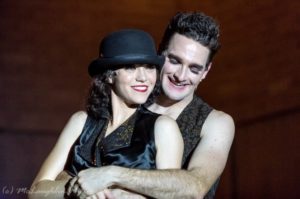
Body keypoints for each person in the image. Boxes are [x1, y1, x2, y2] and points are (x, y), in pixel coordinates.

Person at [70, 11, 235, 199]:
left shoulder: (216, 122)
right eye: (174, 61)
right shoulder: (128, 101)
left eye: (194, 69)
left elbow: (195, 187)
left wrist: (111, 175)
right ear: (159, 53)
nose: (181, 76)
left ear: (206, 71)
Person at [28, 29, 184, 199]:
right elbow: (36, 191)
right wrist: (78, 187)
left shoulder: (162, 127)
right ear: (109, 76)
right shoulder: (81, 122)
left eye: (149, 67)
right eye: (130, 68)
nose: (143, 77)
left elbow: (172, 194)